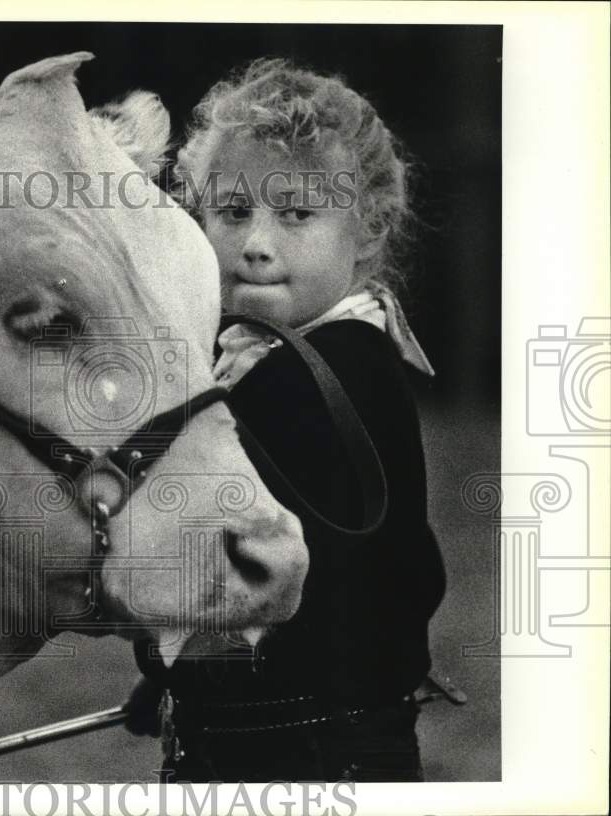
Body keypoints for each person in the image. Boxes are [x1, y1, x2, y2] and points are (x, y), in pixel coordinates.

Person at [125, 57, 447, 783]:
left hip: (314, 761)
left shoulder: (321, 372)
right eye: (233, 212)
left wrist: (166, 650)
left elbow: (261, 577)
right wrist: (175, 680)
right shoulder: (270, 360)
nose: (256, 244)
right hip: (298, 740)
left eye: (297, 214)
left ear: (369, 230)